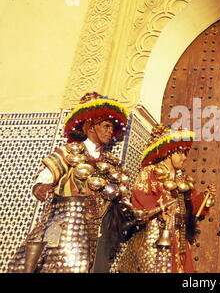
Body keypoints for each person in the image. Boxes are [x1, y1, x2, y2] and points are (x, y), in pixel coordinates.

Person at [8, 92, 130, 273]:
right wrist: (41, 187)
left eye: (111, 127)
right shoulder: (69, 152)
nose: (109, 131)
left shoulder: (112, 163)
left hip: (101, 229)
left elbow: (122, 196)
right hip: (68, 223)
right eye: (105, 126)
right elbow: (45, 177)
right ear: (90, 126)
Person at [117, 124, 216, 273]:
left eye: (186, 153)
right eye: (182, 153)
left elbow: (192, 207)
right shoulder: (150, 172)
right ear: (170, 152)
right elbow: (140, 197)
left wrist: (205, 197)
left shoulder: (183, 179)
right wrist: (160, 209)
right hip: (155, 234)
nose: (185, 157)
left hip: (178, 237)